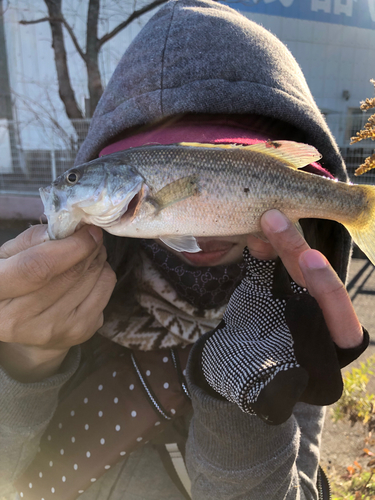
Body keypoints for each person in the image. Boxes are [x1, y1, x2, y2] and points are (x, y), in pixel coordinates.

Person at [0, 0, 368, 498]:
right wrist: (21, 363)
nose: (208, 236)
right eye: (74, 178)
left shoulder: (290, 331)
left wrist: (247, 413)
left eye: (75, 179)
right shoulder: (54, 298)